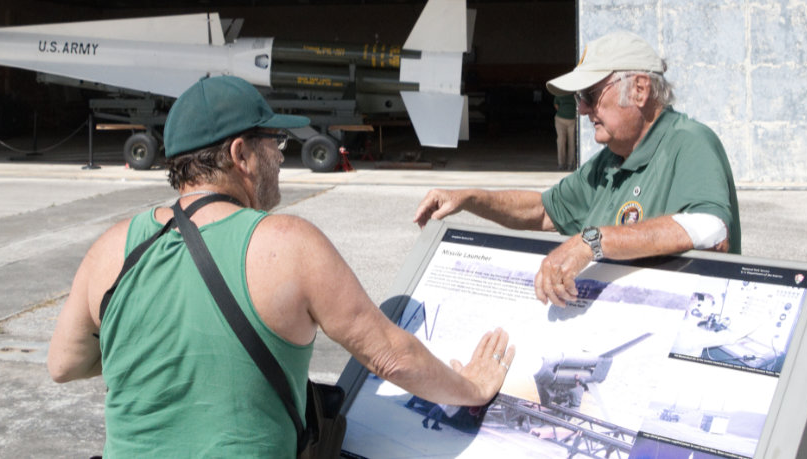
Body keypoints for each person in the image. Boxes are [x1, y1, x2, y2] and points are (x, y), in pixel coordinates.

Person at [49, 75, 513, 457]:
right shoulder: (289, 244)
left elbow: (63, 365)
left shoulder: (111, 248)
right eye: (275, 142)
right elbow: (393, 356)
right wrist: (473, 387)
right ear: (240, 155)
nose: (280, 155)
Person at [414, 31, 739, 309]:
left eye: (590, 95)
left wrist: (593, 241)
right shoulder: (611, 160)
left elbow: (712, 228)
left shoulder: (689, 141)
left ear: (639, 90)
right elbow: (544, 211)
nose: (582, 108)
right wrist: (470, 198)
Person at [552, 91, 577, 171]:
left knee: (571, 141)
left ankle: (571, 163)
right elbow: (556, 104)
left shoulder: (575, 95)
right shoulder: (559, 93)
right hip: (560, 120)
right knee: (561, 140)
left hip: (572, 120)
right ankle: (561, 163)